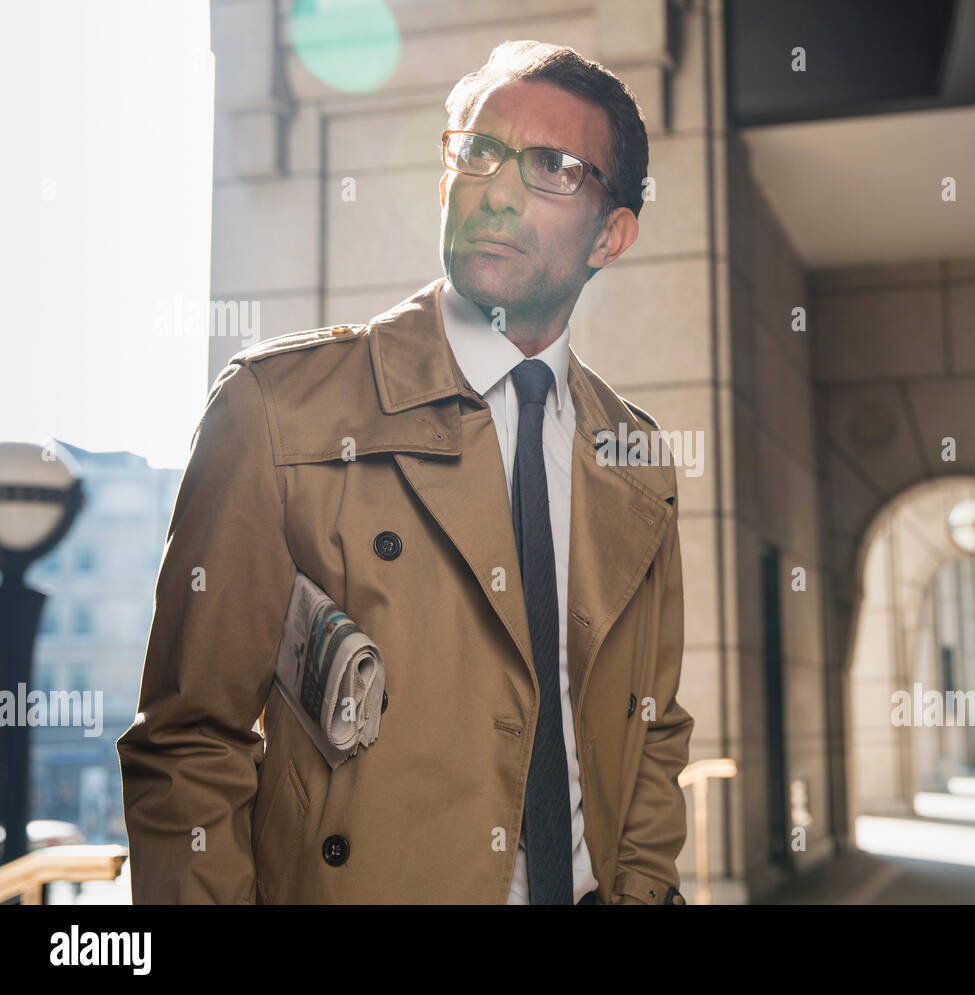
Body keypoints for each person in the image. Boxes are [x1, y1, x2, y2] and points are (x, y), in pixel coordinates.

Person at [117, 39, 693, 905]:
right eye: (479, 152)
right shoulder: (278, 411)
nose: (498, 188)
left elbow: (651, 732)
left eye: (551, 168)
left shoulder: (636, 459)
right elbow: (191, 745)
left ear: (612, 234)